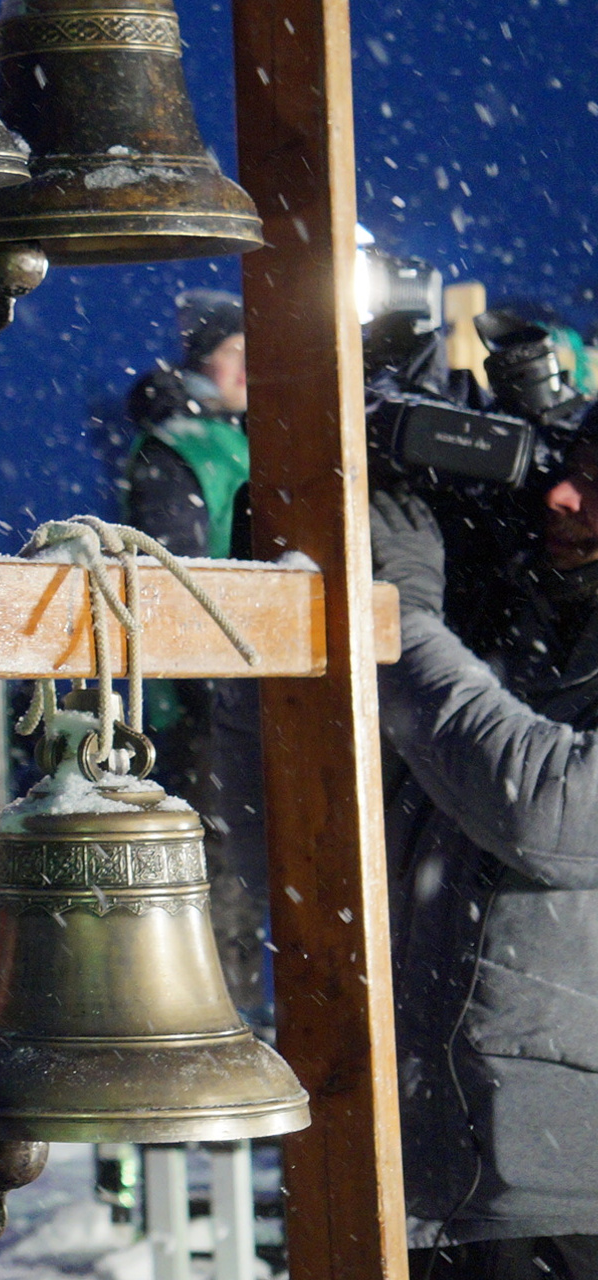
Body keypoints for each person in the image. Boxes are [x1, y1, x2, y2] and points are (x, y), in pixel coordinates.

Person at [373, 448, 598, 1275]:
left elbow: (556, 813)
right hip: (444, 1165)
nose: (561, 496)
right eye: (564, 468)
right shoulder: (529, 613)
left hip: (566, 1184)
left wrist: (402, 621)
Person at [117, 287, 267, 1015]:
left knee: (245, 876)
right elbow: (171, 580)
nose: (250, 368)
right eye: (237, 352)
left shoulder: (241, 440)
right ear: (205, 358)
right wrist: (209, 684)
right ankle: (215, 1029)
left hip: (247, 685)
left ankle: (233, 1029)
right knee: (220, 879)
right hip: (206, 703)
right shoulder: (178, 449)